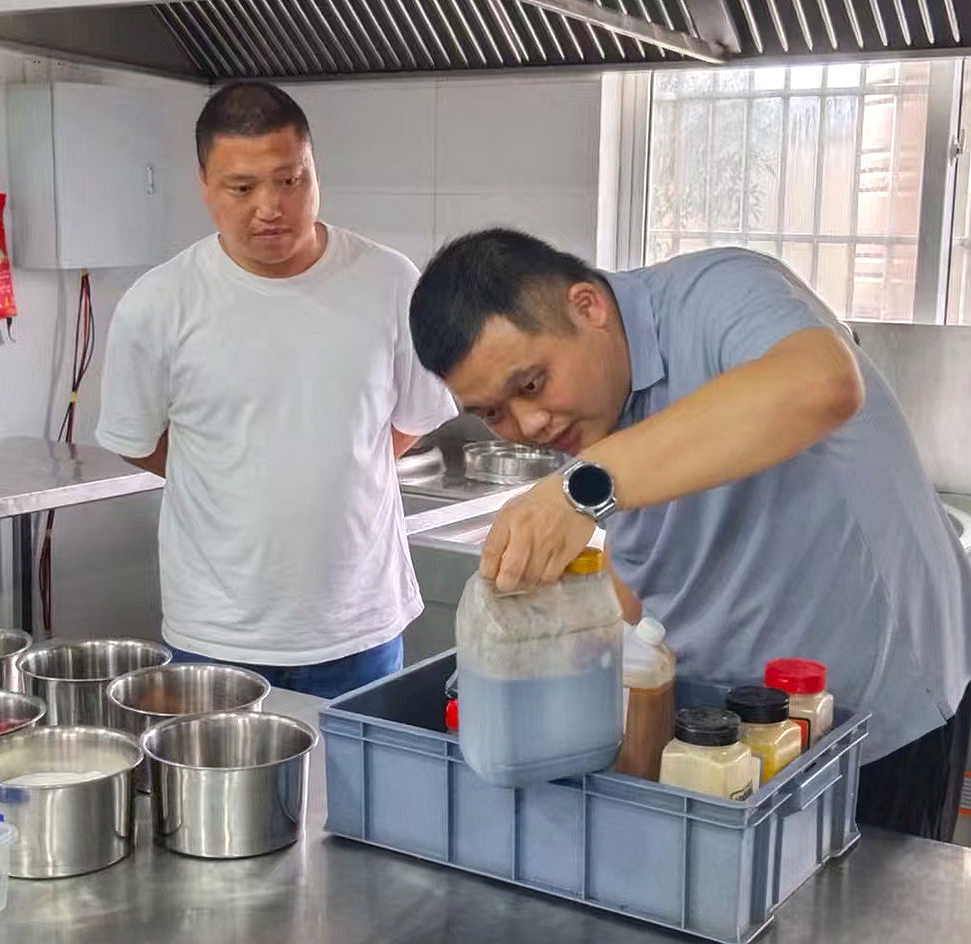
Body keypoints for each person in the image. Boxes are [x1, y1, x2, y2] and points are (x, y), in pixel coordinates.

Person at [408, 228, 971, 841]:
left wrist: (579, 490)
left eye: (532, 384)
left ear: (587, 307)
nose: (528, 424)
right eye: (492, 413)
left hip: (871, 724)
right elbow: (643, 553)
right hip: (719, 740)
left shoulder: (717, 293)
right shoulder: (590, 416)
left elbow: (824, 383)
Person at [95, 82, 457, 699]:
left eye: (291, 180)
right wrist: (229, 473)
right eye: (242, 188)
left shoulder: (389, 281)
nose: (271, 207)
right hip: (217, 632)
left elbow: (414, 416)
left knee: (362, 766)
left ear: (314, 170)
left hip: (358, 624)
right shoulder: (158, 302)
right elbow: (137, 440)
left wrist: (338, 463)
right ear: (204, 185)